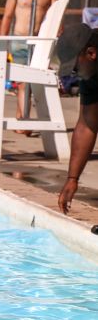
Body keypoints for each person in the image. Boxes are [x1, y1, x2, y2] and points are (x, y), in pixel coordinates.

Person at [56, 25, 98, 213]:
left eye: (75, 68)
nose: (75, 75)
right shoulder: (90, 76)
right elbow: (86, 125)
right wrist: (72, 178)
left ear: (91, 53)